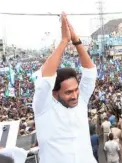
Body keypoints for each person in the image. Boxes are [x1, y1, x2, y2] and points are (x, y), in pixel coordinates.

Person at [32, 12, 97, 163]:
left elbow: (90, 74)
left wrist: (76, 41)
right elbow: (46, 78)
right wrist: (63, 41)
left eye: (76, 89)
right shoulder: (43, 108)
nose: (75, 95)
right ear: (54, 93)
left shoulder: (80, 102)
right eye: (68, 92)